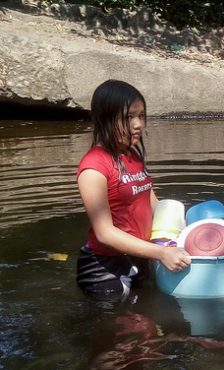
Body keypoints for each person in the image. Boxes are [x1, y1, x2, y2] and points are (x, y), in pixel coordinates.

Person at [76, 79, 191, 301]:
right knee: (119, 330)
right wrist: (161, 253)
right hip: (104, 269)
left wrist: (186, 232)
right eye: (129, 117)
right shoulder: (94, 167)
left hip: (141, 256)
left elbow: (153, 204)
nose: (138, 124)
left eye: (141, 116)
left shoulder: (132, 156)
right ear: (106, 117)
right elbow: (104, 232)